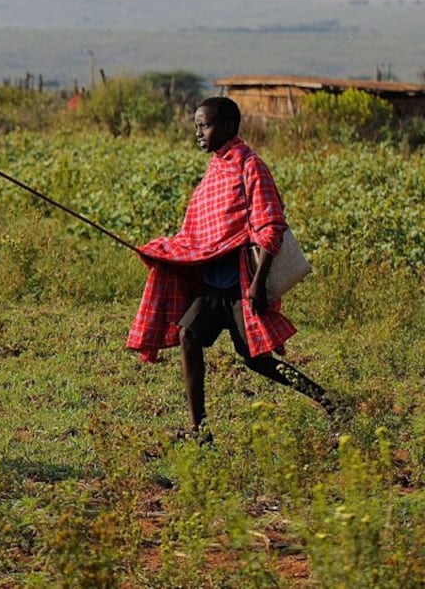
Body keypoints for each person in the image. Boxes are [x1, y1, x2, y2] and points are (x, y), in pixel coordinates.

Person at [127, 96, 336, 441]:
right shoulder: (215, 169)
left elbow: (271, 226)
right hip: (212, 286)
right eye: (196, 126)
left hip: (241, 285)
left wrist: (257, 285)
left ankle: (328, 402)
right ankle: (200, 430)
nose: (198, 133)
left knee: (257, 360)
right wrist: (163, 250)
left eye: (204, 125)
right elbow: (199, 233)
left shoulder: (250, 166)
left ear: (226, 127)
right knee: (188, 335)